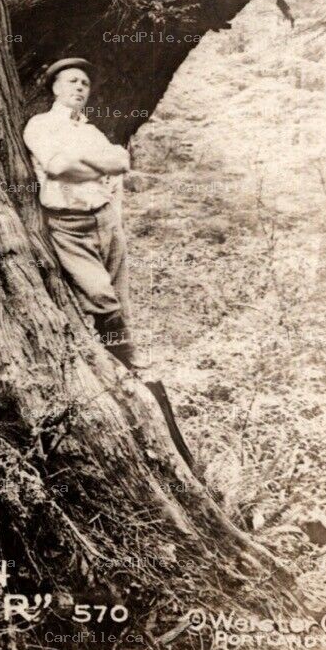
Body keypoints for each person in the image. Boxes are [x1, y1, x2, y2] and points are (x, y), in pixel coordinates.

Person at [23, 56, 195, 468]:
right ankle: (118, 367)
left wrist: (84, 163)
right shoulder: (41, 126)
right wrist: (91, 163)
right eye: (72, 81)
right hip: (67, 223)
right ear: (55, 88)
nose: (80, 88)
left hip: (105, 217)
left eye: (84, 82)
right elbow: (58, 165)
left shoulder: (91, 130)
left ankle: (130, 370)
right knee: (100, 298)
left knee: (121, 298)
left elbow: (120, 161)